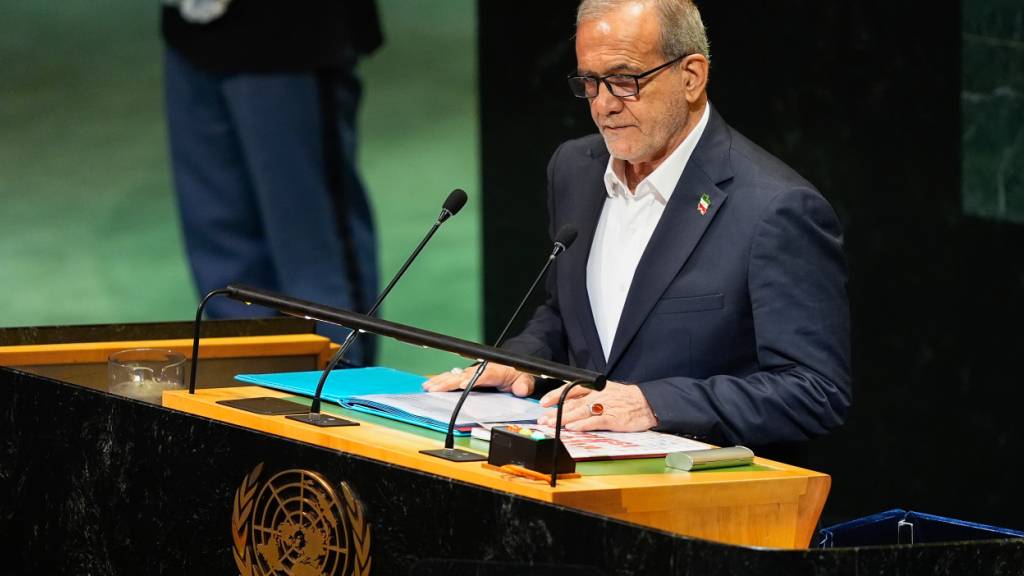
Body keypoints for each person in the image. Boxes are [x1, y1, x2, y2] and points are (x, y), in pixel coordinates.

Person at [425, 0, 851, 446]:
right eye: (589, 82)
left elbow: (816, 391)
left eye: (625, 81)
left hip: (694, 496)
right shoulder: (574, 169)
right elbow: (567, 315)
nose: (603, 105)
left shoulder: (775, 208)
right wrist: (523, 360)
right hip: (572, 475)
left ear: (691, 77)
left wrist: (653, 404)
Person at [162, 0, 382, 364]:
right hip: (190, 31)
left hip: (290, 36)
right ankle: (240, 388)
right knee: (221, 245)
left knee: (312, 248)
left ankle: (336, 391)